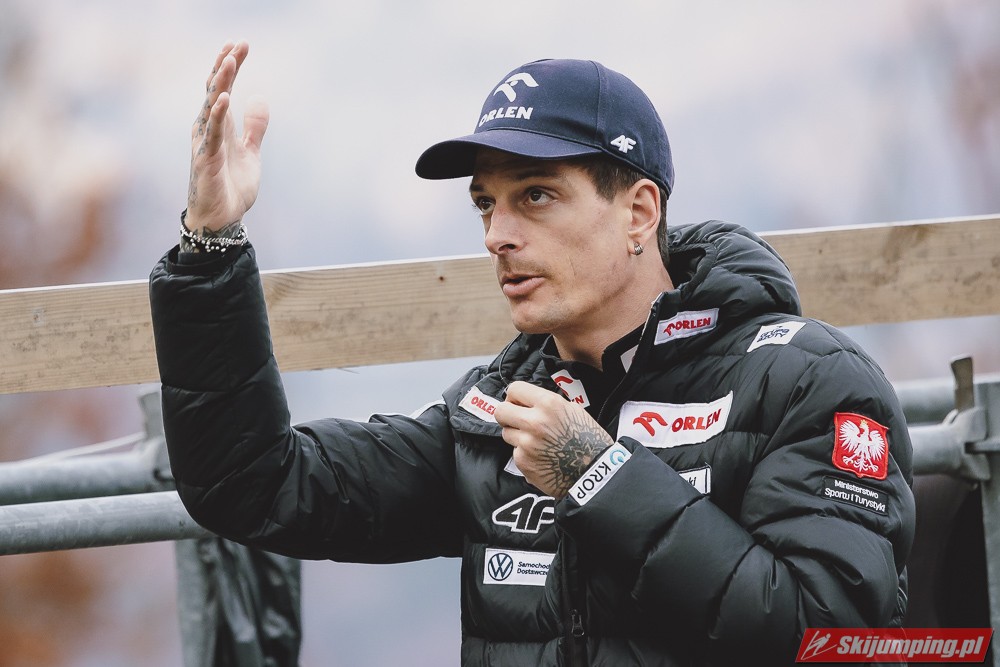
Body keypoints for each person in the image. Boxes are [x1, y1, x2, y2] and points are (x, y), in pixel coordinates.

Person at [150, 41, 915, 666]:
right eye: (486, 203)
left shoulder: (807, 380)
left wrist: (600, 474)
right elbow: (254, 484)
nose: (497, 234)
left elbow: (831, 638)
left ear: (639, 212)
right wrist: (212, 242)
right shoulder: (491, 410)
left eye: (535, 195)